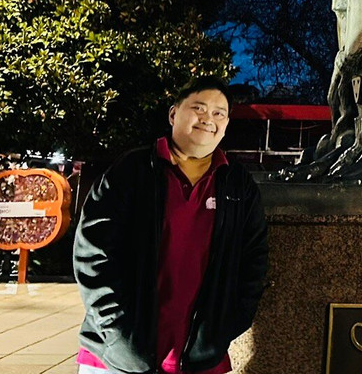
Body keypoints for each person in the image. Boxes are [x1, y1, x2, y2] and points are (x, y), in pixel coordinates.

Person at [73, 77, 268, 374]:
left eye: (219, 113)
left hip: (200, 360)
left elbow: (253, 262)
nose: (208, 119)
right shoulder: (132, 171)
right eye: (199, 108)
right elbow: (92, 253)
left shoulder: (237, 185)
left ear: (227, 124)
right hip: (116, 358)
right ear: (173, 114)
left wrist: (223, 331)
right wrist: (117, 336)